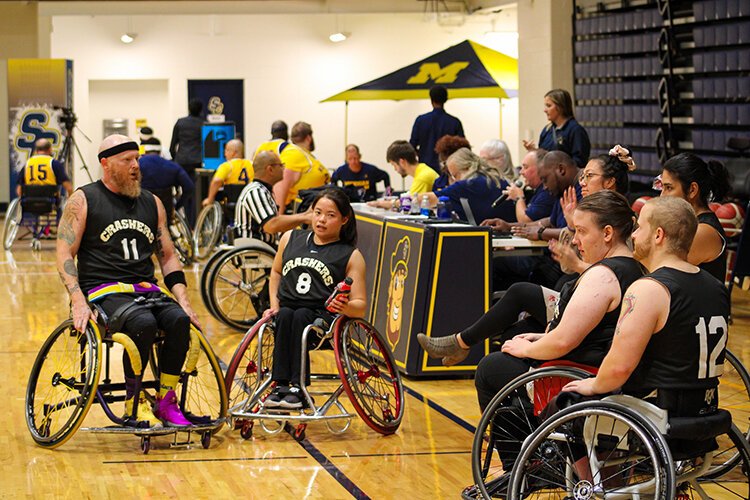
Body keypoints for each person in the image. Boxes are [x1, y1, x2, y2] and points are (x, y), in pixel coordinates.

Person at [562, 196, 729, 456]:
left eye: (640, 227)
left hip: (660, 418)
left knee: (564, 403)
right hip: (706, 413)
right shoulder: (716, 287)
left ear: (658, 234)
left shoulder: (649, 289)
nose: (635, 235)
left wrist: (592, 385)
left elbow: (619, 368)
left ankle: (587, 486)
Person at [56, 134, 200, 428]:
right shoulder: (84, 199)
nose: (136, 166)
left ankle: (165, 398)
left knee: (178, 321)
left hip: (145, 290)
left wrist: (184, 301)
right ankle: (133, 404)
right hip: (103, 292)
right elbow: (64, 252)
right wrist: (77, 301)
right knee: (144, 323)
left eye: (137, 159)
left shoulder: (152, 203)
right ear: (106, 164)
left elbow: (168, 257)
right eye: (128, 160)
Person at [419, 190, 644, 368]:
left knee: (492, 367)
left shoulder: (603, 275)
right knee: (515, 329)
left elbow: (565, 341)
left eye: (581, 232)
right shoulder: (630, 265)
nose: (575, 240)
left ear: (607, 233)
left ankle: (462, 343)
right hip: (581, 350)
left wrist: (529, 349)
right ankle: (463, 342)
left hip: (577, 365)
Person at [263, 188, 367, 408]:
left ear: (344, 220)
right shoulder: (290, 237)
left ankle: (297, 387)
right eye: (317, 212)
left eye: (330, 215)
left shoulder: (350, 255)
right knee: (284, 315)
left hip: (321, 318)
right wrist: (273, 305)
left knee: (300, 316)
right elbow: (276, 273)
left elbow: (361, 306)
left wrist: (345, 306)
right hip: (287, 312)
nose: (321, 220)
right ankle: (280, 384)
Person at [494, 151, 582, 290]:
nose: (545, 186)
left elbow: (577, 231)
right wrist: (509, 226)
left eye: (545, 180)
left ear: (561, 169)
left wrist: (541, 233)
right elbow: (549, 221)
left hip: (571, 264)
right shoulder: (564, 190)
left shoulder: (582, 191)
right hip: (558, 260)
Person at [552, 144, 636, 275]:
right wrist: (571, 226)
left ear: (609, 182)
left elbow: (620, 273)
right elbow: (567, 268)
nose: (582, 183)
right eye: (583, 176)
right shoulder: (588, 212)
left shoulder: (623, 218)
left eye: (589, 176)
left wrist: (578, 265)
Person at [655, 152, 731, 282]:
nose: (662, 196)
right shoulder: (684, 223)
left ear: (692, 190)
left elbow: (659, 269)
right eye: (662, 187)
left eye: (669, 188)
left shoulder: (704, 231)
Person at [234, 151, 312, 246]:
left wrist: (303, 216)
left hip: (263, 248)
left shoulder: (263, 190)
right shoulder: (255, 191)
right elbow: (271, 225)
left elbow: (275, 222)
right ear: (270, 169)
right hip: (256, 251)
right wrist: (304, 217)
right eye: (281, 165)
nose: (283, 169)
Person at [420, 148, 516, 223]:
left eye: (455, 175)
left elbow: (429, 199)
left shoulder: (466, 185)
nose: (455, 180)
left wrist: (409, 198)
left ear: (466, 168)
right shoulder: (498, 178)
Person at [480, 149, 554, 230]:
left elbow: (526, 222)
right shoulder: (538, 191)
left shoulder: (547, 193)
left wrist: (519, 197)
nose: (521, 172)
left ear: (541, 169)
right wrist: (507, 226)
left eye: (525, 167)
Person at [523, 89, 591, 169]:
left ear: (560, 107)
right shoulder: (547, 130)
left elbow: (580, 162)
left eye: (549, 106)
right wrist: (534, 151)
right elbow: (543, 158)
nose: (545, 110)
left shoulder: (576, 131)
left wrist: (558, 165)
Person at [274, 121, 330, 213]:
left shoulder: (304, 154)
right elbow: (280, 185)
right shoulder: (294, 154)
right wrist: (279, 219)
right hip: (300, 212)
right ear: (309, 138)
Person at [410, 85, 465, 173]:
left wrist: (421, 154)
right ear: (446, 100)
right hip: (448, 169)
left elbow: (412, 145)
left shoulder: (420, 120)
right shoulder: (454, 122)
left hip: (425, 168)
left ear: (431, 100)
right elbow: (462, 148)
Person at [137, 132, 194, 212]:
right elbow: (189, 187)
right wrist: (178, 205)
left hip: (141, 210)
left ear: (144, 151)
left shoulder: (137, 165)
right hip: (166, 211)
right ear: (160, 151)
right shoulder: (173, 167)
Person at [169, 98, 203, 224]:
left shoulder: (180, 123)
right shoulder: (203, 124)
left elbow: (173, 145)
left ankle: (180, 212)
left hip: (181, 161)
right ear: (201, 110)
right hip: (197, 162)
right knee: (194, 193)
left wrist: (174, 161)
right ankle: (194, 222)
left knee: (184, 191)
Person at [201, 139, 253, 207]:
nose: (225, 153)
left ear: (234, 153)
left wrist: (210, 199)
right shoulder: (251, 164)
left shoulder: (227, 166)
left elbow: (216, 181)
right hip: (249, 202)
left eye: (227, 150)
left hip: (232, 205)